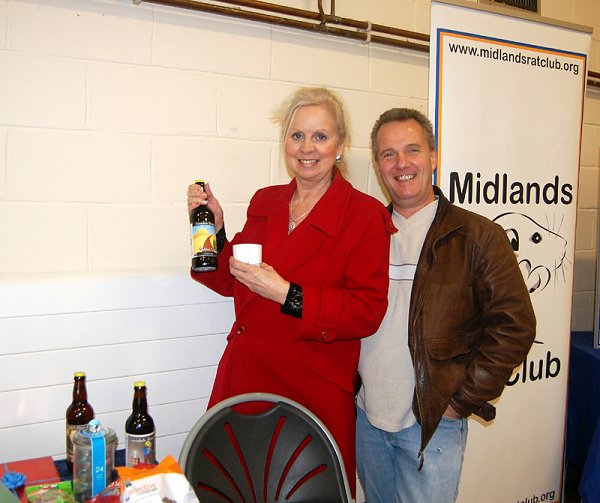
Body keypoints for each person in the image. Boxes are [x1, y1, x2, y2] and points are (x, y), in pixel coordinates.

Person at [186, 87, 395, 496]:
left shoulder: (364, 214)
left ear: (340, 146)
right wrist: (213, 230)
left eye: (320, 136)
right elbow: (231, 280)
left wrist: (287, 293)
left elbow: (367, 311)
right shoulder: (266, 201)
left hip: (310, 391)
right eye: (297, 135)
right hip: (244, 381)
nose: (307, 148)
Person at [356, 108, 536, 503]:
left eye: (413, 150)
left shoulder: (478, 236)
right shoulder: (364, 232)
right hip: (366, 420)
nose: (402, 163)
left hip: (433, 424)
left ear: (433, 156)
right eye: (388, 154)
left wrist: (459, 401)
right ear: (377, 164)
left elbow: (515, 326)